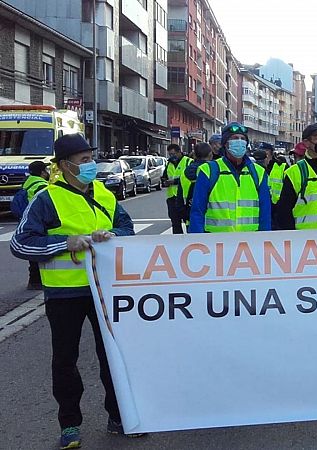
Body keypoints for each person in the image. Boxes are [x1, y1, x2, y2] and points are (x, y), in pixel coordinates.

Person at [10, 133, 139, 448]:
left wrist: (112, 233)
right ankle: (69, 424)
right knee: (65, 360)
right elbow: (20, 242)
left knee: (112, 355)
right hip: (65, 295)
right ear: (64, 166)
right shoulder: (47, 198)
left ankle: (118, 416)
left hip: (104, 290)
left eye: (91, 158)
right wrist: (63, 243)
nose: (90, 165)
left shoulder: (105, 195)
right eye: (83, 161)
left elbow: (128, 228)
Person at [189, 122, 271, 233]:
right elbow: (197, 211)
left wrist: (264, 241)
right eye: (235, 138)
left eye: (243, 139)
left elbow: (265, 213)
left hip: (249, 244)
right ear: (225, 144)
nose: (239, 141)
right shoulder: (208, 171)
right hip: (216, 244)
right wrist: (197, 242)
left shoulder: (259, 173)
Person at [19, 161, 50, 290]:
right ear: (42, 172)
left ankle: (33, 280)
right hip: (39, 220)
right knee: (40, 252)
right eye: (46, 170)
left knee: (32, 252)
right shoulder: (41, 185)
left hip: (27, 219)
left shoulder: (27, 183)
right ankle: (36, 280)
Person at [177, 142, 213, 228]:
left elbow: (179, 199)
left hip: (191, 218)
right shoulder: (213, 172)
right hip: (212, 220)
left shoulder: (184, 173)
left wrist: (185, 216)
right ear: (210, 155)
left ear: (194, 155)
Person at [163, 143, 192, 234]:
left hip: (185, 197)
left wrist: (174, 181)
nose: (172, 156)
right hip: (172, 197)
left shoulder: (188, 161)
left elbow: (190, 177)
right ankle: (177, 244)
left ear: (179, 152)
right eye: (170, 154)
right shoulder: (169, 164)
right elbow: (165, 176)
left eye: (174, 154)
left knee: (188, 222)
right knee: (175, 223)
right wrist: (165, 181)